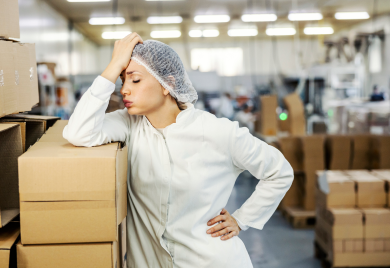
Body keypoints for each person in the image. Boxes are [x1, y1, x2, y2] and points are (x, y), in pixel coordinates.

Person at [63, 32, 294, 268]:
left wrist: (242, 219)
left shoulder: (217, 131)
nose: (124, 90)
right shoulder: (128, 124)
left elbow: (279, 171)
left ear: (168, 84)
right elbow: (78, 133)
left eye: (135, 80)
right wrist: (113, 66)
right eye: (122, 81)